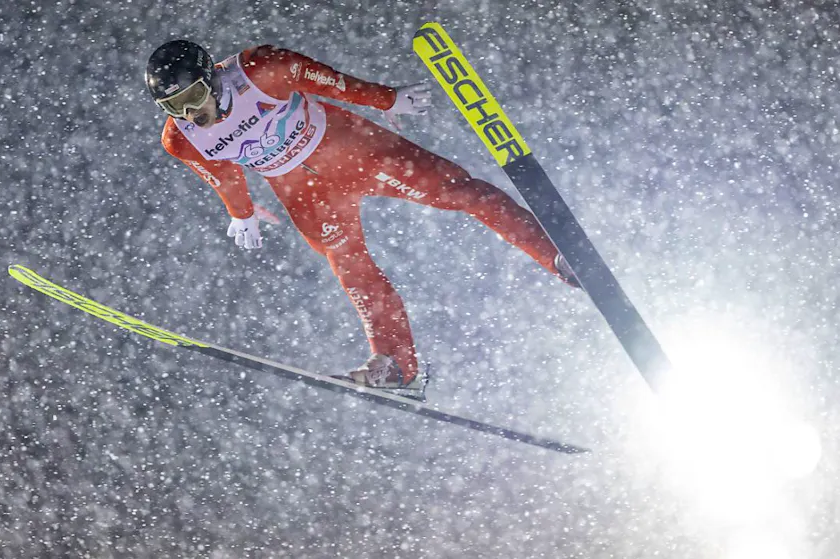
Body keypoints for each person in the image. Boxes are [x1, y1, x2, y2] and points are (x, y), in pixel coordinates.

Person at [145, 39, 578, 401]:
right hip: (302, 191)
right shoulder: (180, 139)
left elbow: (331, 81)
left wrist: (388, 98)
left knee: (457, 192)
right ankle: (397, 365)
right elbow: (223, 172)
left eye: (193, 97)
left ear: (212, 78)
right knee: (349, 265)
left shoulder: (264, 70)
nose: (189, 113)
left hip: (349, 149)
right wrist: (241, 214)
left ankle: (557, 255)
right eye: (173, 106)